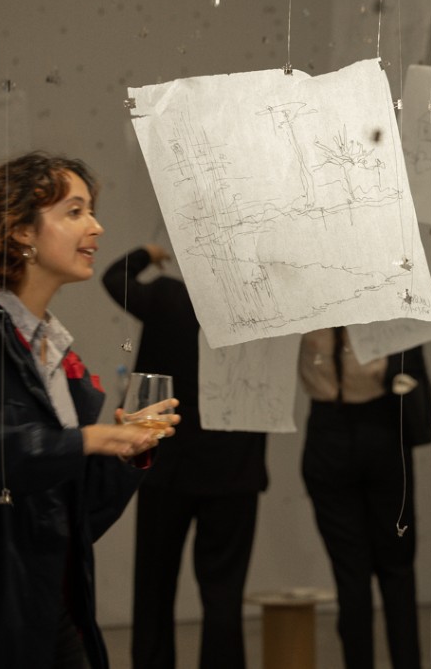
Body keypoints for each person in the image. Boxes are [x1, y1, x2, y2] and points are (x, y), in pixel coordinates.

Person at [0, 152, 178, 669]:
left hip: (52, 609)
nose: (97, 226)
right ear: (21, 230)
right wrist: (84, 441)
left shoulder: (58, 356)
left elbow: (73, 516)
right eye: (74, 212)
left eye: (91, 211)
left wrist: (127, 453)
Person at [102, 244, 268, 669]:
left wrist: (146, 253)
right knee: (224, 596)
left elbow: (114, 277)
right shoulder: (261, 302)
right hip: (235, 463)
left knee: (154, 589)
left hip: (165, 459)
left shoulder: (166, 295)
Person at [298, 328, 430, 669]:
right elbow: (408, 371)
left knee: (351, 574)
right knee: (396, 570)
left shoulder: (303, 308)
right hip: (381, 430)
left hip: (329, 432)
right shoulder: (387, 304)